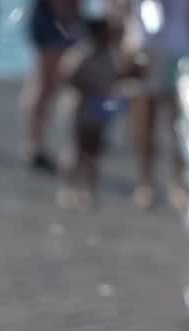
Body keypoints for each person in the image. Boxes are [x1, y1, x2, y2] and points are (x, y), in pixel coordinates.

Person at [121, 0, 189, 209]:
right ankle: (146, 182)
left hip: (180, 52)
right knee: (145, 124)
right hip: (146, 51)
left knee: (180, 125)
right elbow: (122, 11)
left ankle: (179, 182)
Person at [56, 14, 129, 211]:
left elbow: (115, 77)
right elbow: (68, 76)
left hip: (98, 110)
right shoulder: (82, 54)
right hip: (81, 109)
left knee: (94, 152)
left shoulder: (109, 55)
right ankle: (69, 189)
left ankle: (89, 192)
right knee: (77, 150)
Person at [22, 0, 80, 173]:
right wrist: (69, 18)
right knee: (47, 84)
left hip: (57, 17)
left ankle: (35, 143)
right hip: (55, 17)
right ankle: (35, 145)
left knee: (45, 83)